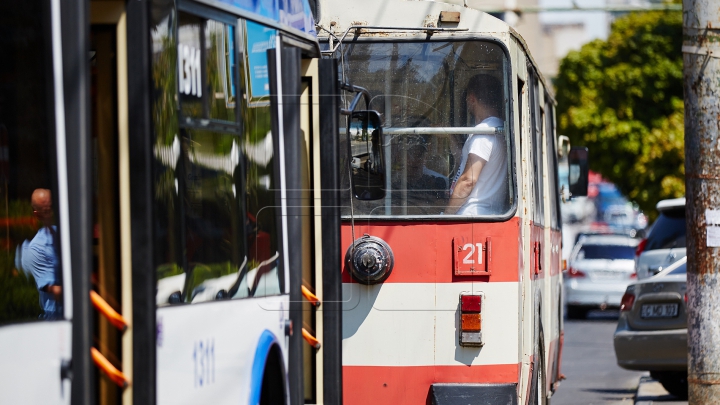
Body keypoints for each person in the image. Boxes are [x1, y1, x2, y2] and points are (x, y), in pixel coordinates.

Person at [445, 74, 508, 215]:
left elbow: (468, 180)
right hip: (489, 213)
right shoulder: (500, 130)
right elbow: (465, 160)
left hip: (470, 215)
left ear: (471, 98)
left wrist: (447, 215)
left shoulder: (483, 134)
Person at [22, 188, 62, 319]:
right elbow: (55, 290)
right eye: (46, 210)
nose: (51, 213)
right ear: (37, 215)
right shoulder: (36, 249)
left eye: (53, 206)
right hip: (57, 320)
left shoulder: (65, 233)